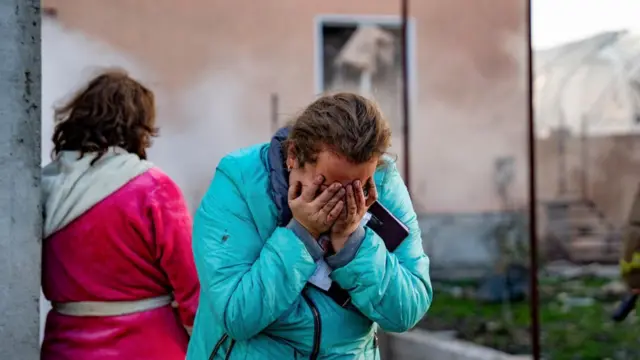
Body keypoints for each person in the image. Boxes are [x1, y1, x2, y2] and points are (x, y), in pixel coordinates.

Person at [188, 93, 433, 359]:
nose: (342, 202)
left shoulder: (382, 180)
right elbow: (236, 315)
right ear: (293, 155)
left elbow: (406, 311)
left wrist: (354, 244)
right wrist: (301, 235)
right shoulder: (239, 181)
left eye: (357, 188)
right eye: (328, 188)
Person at [41, 70, 200, 360]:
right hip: (148, 347)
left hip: (65, 349)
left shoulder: (43, 187)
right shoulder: (153, 188)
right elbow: (191, 285)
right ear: (138, 126)